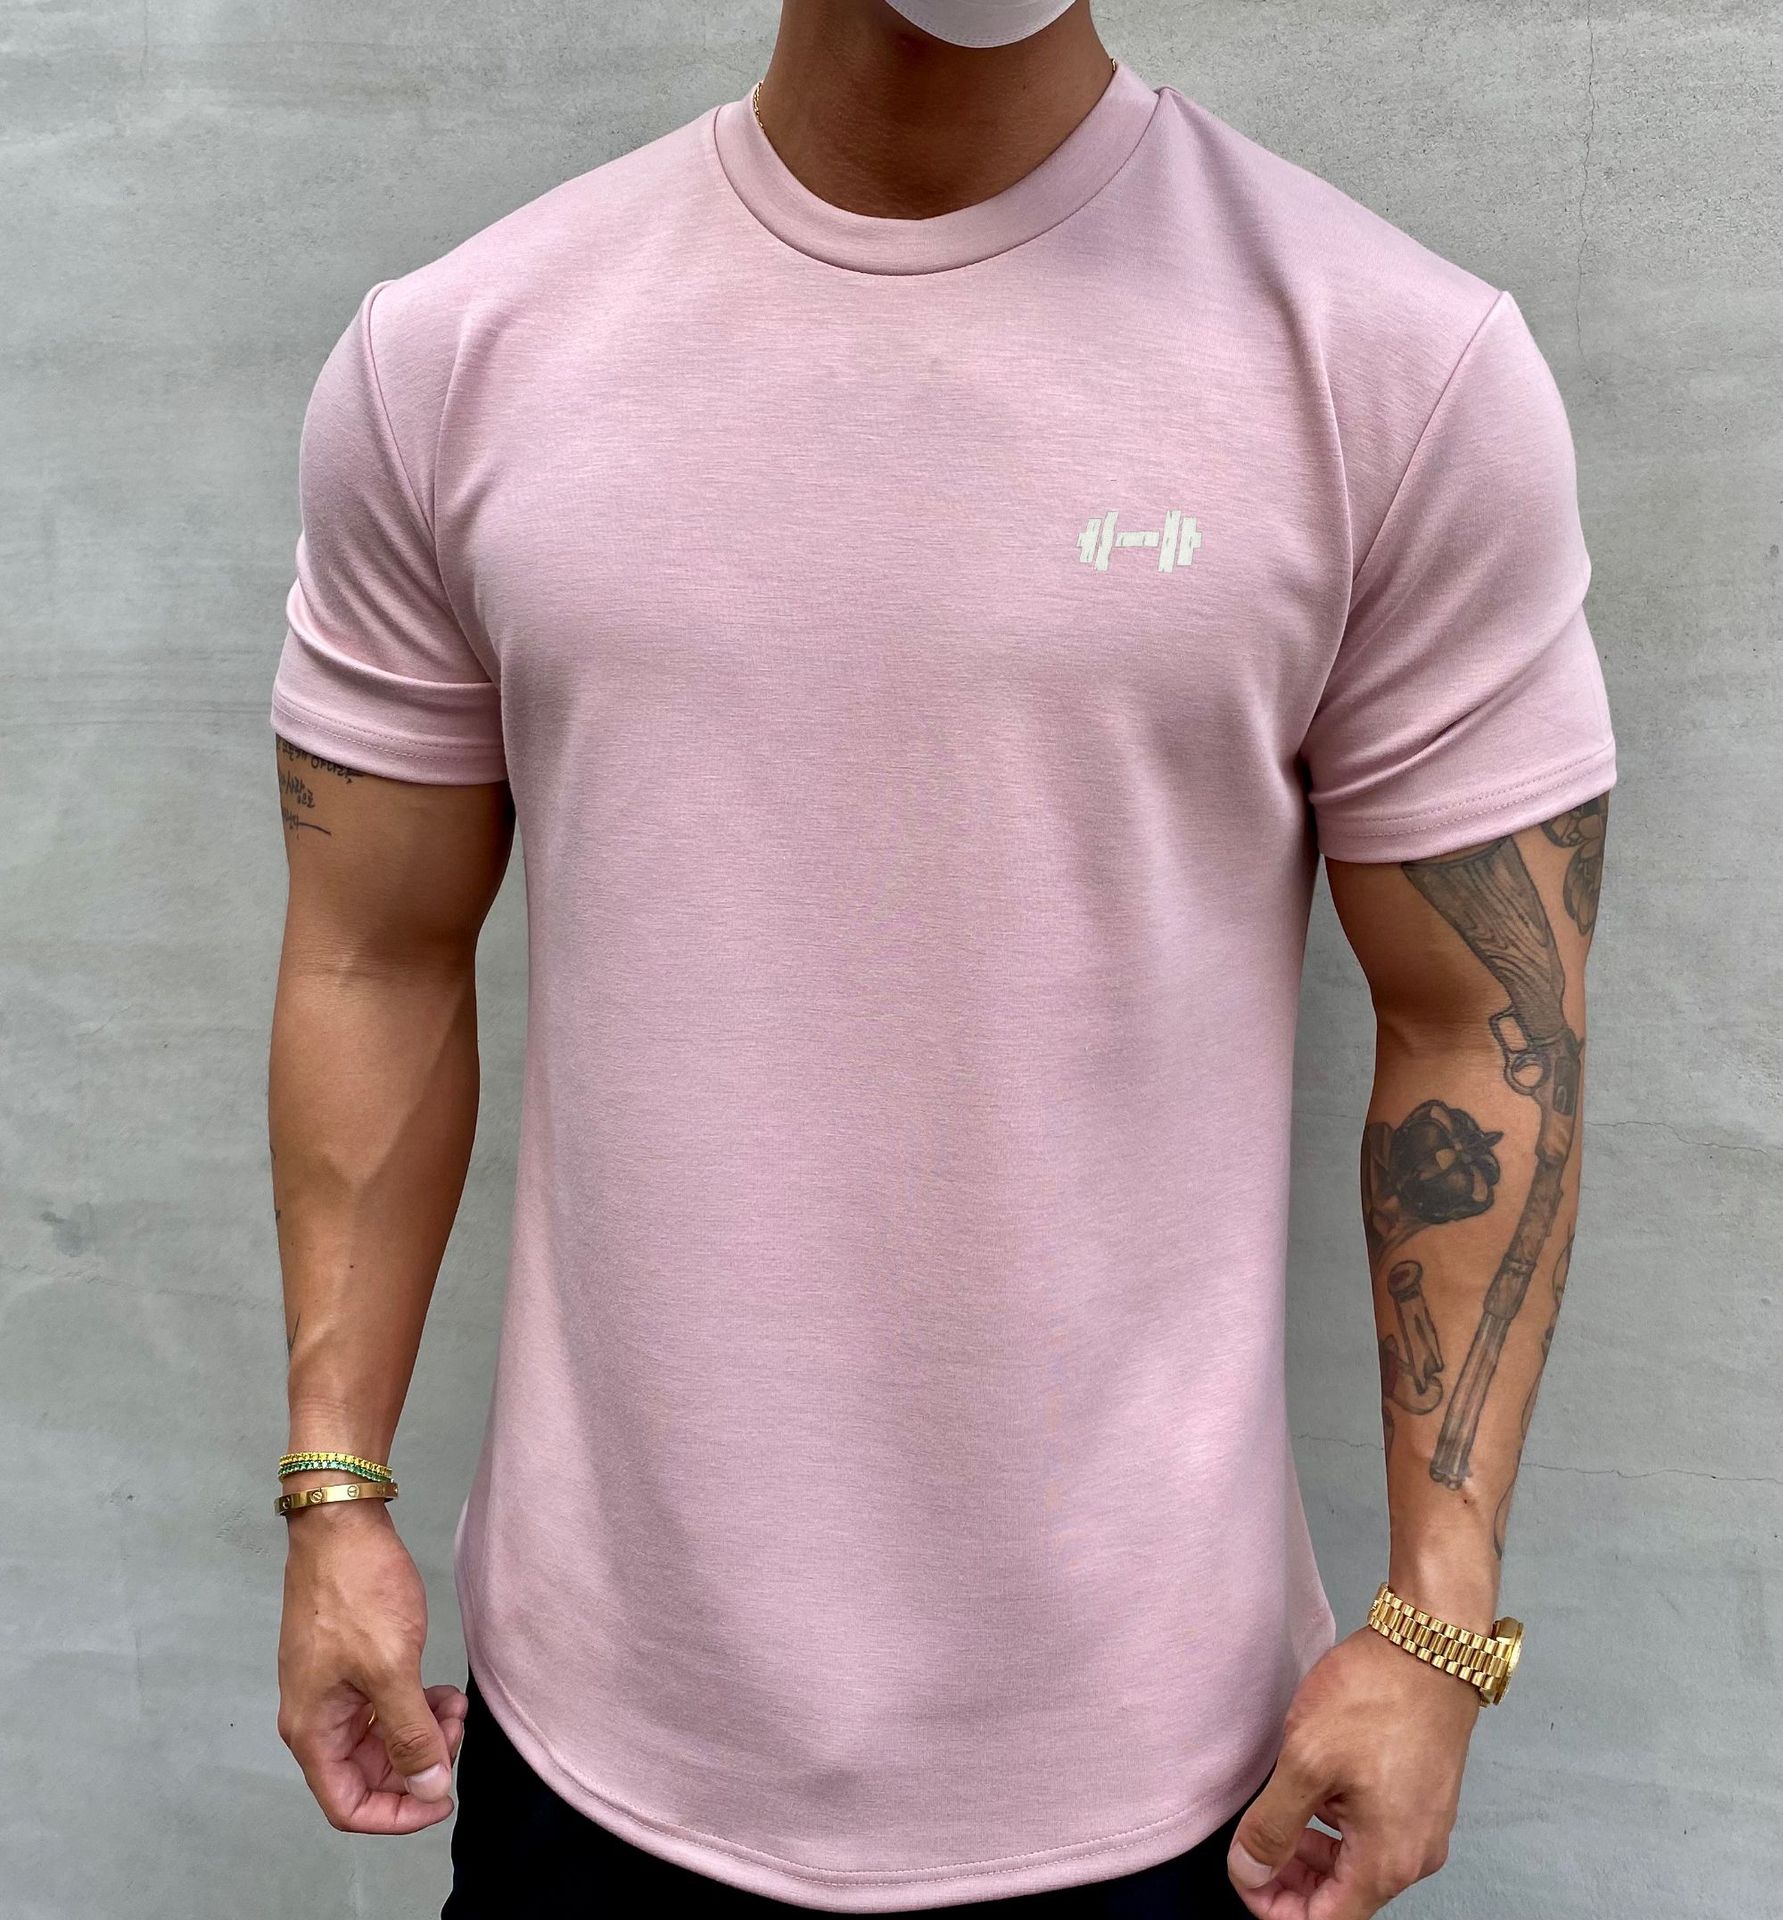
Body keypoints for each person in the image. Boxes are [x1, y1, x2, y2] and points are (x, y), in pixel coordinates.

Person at [266, 2, 1616, 1915]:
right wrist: (334, 1490)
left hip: (1162, 1773)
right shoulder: (461, 355)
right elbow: (369, 955)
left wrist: (1442, 1625)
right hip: (600, 1740)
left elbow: (1489, 1022)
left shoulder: (1390, 366)